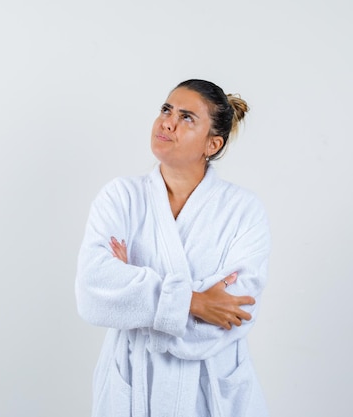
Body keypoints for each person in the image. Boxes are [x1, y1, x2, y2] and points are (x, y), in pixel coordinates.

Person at [75, 79, 271, 417]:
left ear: (213, 143)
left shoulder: (243, 211)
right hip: (135, 386)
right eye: (166, 109)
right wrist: (194, 302)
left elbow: (233, 315)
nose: (168, 122)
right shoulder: (121, 198)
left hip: (211, 395)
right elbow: (93, 292)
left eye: (187, 117)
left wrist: (135, 291)